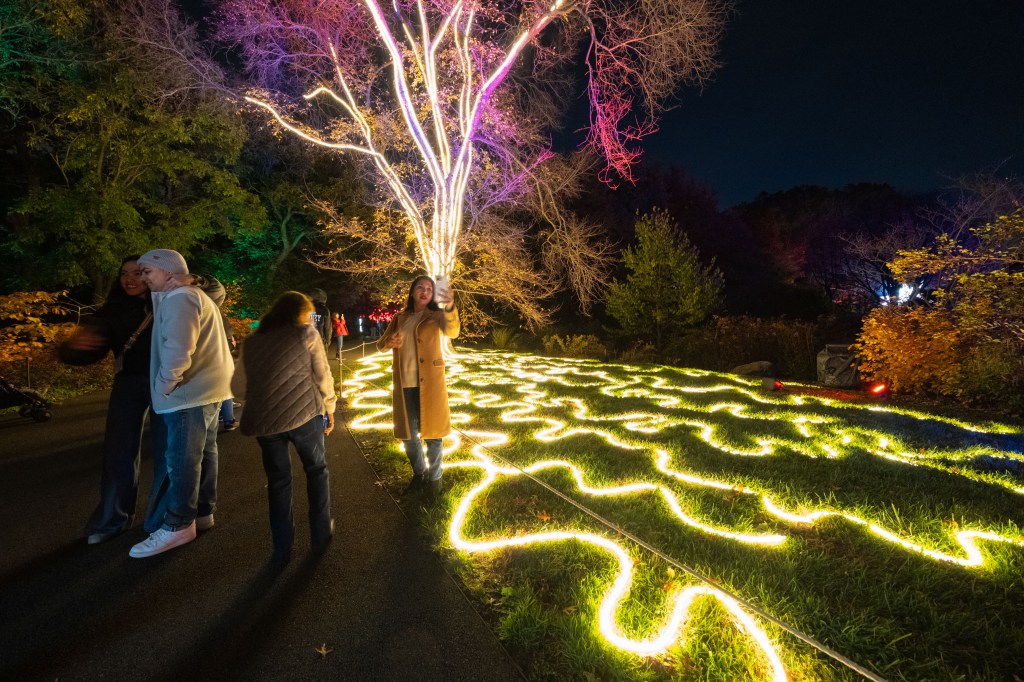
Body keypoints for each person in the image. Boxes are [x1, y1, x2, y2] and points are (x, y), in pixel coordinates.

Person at [58, 256, 224, 545]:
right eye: (125, 273)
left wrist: (195, 278)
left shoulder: (175, 298)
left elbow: (216, 291)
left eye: (140, 272)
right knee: (118, 452)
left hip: (172, 382)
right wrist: (72, 349)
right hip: (130, 382)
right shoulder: (112, 310)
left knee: (170, 452)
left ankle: (163, 519)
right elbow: (91, 348)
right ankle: (112, 520)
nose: (131, 279)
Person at [128, 249, 233, 558]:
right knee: (205, 453)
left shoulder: (180, 299)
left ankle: (177, 525)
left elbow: (177, 349)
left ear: (168, 272)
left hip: (189, 392)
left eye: (147, 272)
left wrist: (163, 386)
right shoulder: (193, 296)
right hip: (209, 389)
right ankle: (202, 512)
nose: (142, 278)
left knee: (181, 459)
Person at [231, 292, 336, 564]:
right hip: (305, 416)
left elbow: (238, 389)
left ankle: (282, 547)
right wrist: (330, 407)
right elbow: (323, 376)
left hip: (266, 423)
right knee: (316, 470)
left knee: (278, 482)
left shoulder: (252, 341)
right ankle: (321, 535)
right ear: (302, 313)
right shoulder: (306, 335)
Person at [376, 275, 459, 501]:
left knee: (433, 435)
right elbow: (380, 344)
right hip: (404, 385)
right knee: (409, 437)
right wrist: (388, 343)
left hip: (430, 384)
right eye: (420, 288)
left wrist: (449, 304)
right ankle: (419, 474)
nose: (425, 291)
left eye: (429, 289)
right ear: (412, 292)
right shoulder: (400, 318)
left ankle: (435, 482)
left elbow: (453, 331)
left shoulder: (437, 316)